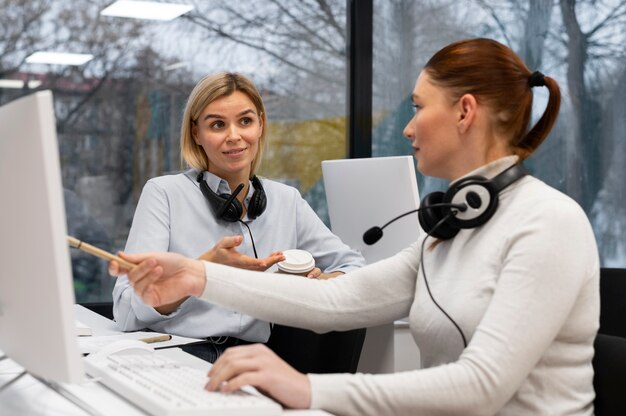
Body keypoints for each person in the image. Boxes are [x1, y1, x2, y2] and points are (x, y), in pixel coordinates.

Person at [110, 38, 600, 415]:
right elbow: (338, 301)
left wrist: (305, 388)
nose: (408, 127)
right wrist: (198, 276)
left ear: (464, 112)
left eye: (417, 106)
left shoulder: (548, 222)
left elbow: (482, 384)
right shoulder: (449, 230)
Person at [112, 72, 365, 363]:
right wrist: (201, 272)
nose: (234, 136)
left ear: (260, 125)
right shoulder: (164, 194)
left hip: (258, 359)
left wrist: (320, 283)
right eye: (218, 124)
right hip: (181, 354)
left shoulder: (286, 200)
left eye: (245, 121)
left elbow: (353, 266)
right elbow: (125, 309)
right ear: (196, 134)